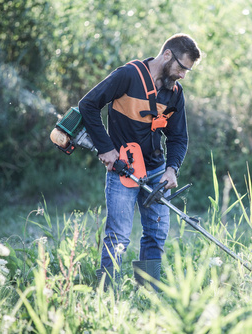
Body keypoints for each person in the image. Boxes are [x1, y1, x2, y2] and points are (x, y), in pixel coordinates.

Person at [78, 34, 201, 291]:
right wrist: (107, 148)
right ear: (167, 55)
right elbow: (88, 105)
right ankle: (106, 292)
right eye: (181, 67)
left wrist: (172, 168)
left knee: (156, 234)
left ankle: (148, 291)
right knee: (119, 235)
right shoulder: (128, 76)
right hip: (124, 169)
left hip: (156, 171)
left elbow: (178, 137)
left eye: (187, 70)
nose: (183, 75)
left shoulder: (174, 94)